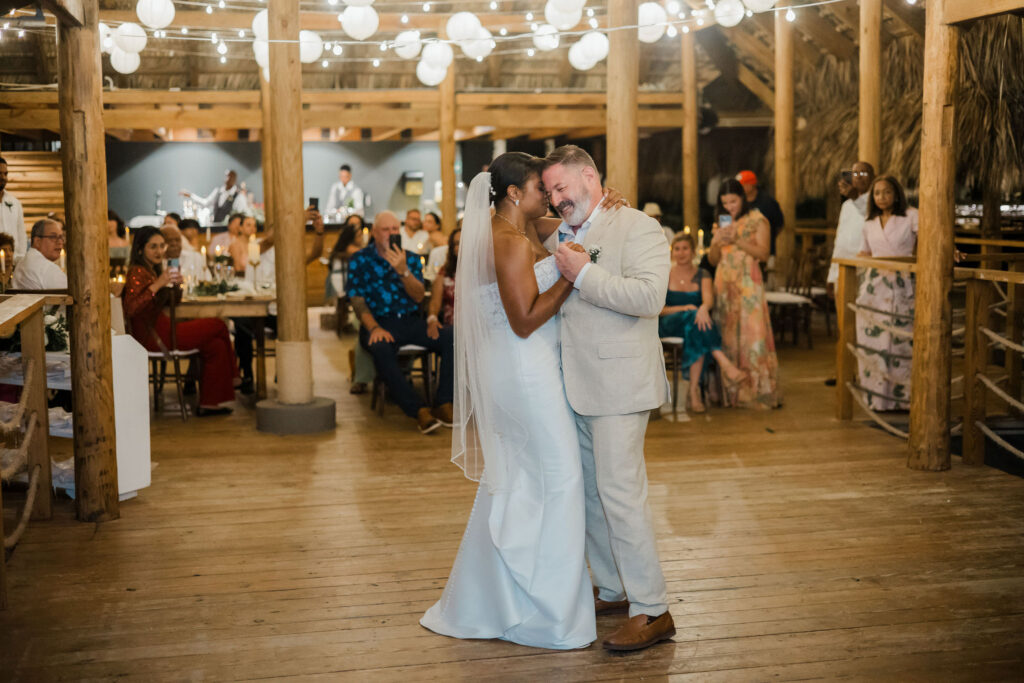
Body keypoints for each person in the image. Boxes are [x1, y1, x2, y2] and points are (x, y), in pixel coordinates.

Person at [421, 152, 595, 649]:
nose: (551, 197)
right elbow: (524, 319)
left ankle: (497, 597)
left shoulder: (513, 231)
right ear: (516, 194)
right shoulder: (507, 242)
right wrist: (572, 275)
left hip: (520, 368)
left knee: (521, 478)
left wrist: (586, 213)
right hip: (523, 371)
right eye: (543, 188)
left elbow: (555, 225)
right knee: (560, 478)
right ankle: (550, 613)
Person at [544, 145, 675, 652]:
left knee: (622, 495)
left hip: (621, 384)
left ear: (590, 176)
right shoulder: (560, 232)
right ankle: (614, 588)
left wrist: (584, 275)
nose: (556, 199)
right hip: (576, 384)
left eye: (562, 187)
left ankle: (653, 608)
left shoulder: (637, 226)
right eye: (551, 191)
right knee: (593, 494)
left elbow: (649, 299)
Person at [346, 210, 453, 433]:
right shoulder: (360, 260)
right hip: (378, 322)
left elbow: (417, 296)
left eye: (395, 229)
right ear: (375, 232)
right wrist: (373, 327)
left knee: (451, 337)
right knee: (381, 349)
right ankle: (419, 410)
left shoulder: (411, 259)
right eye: (386, 229)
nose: (391, 233)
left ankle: (444, 402)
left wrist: (404, 272)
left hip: (410, 321)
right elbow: (357, 301)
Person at [122, 226, 237, 416]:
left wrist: (176, 286)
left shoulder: (151, 269)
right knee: (219, 325)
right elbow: (131, 307)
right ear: (141, 249)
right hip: (154, 336)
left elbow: (170, 302)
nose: (159, 251)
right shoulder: (137, 271)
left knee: (215, 345)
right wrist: (158, 284)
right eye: (153, 247)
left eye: (161, 246)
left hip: (163, 329)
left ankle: (210, 403)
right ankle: (235, 376)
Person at [234, 208, 325, 394]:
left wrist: (319, 231)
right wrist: (298, 218)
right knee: (240, 327)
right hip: (254, 307)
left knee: (292, 325)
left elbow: (315, 253)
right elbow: (269, 241)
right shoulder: (258, 246)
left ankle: (284, 372)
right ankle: (248, 374)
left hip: (278, 310)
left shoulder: (291, 252)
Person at [708, 177, 780, 409]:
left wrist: (738, 239)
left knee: (753, 334)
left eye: (733, 201)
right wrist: (717, 242)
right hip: (725, 283)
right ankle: (732, 392)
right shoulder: (721, 223)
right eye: (725, 202)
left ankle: (757, 390)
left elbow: (763, 254)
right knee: (728, 334)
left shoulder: (758, 220)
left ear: (743, 198)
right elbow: (712, 260)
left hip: (749, 283)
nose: (729, 207)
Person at [659, 233, 746, 413]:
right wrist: (684, 308)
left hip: (695, 324)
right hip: (669, 324)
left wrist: (703, 308)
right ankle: (723, 363)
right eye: (677, 249)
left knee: (696, 329)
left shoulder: (703, 274)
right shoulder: (665, 274)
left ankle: (693, 391)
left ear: (692, 252)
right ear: (672, 252)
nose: (681, 253)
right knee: (696, 319)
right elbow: (658, 309)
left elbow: (708, 301)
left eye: (685, 249)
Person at [855, 175, 918, 411]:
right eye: (877, 193)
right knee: (874, 341)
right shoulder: (869, 223)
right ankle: (876, 398)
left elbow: (930, 236)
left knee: (901, 341)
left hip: (903, 285)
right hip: (875, 285)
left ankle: (903, 398)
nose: (882, 197)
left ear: (897, 194)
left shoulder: (911, 216)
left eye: (887, 192)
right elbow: (864, 252)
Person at [824, 161, 875, 387]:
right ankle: (845, 372)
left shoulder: (876, 200)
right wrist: (831, 275)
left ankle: (865, 373)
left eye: (864, 173)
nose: (859, 177)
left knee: (864, 324)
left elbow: (869, 215)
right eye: (854, 174)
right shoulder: (846, 206)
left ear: (873, 176)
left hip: (865, 271)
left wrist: (855, 198)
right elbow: (841, 242)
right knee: (844, 326)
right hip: (842, 270)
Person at [736, 170, 784, 257]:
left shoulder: (768, 203)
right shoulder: (739, 203)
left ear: (750, 185)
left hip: (767, 252)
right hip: (744, 254)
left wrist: (765, 236)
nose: (739, 189)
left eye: (741, 185)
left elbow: (779, 225)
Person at [12, 218, 67, 290]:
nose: (60, 242)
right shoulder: (48, 269)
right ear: (37, 241)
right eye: (53, 237)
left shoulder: (22, 263)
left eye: (61, 237)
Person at [180, 169, 249, 224]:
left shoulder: (238, 196)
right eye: (227, 176)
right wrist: (191, 195)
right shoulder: (218, 192)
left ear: (235, 179)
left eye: (231, 177)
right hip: (216, 226)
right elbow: (205, 203)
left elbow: (242, 214)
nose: (228, 179)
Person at [426, 228, 460, 338]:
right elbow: (435, 302)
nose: (459, 247)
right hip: (452, 328)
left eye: (462, 242)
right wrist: (432, 319)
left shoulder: (481, 271)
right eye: (455, 244)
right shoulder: (445, 271)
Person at [0, 158, 26, 258]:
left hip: (13, 259)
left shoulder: (15, 203)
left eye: (5, 174)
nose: (3, 177)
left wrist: (21, 256)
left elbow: (21, 232)